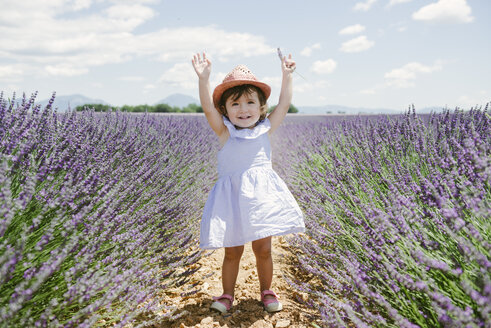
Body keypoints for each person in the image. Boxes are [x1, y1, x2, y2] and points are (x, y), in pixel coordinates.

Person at [191, 51, 305, 314]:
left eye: (250, 103)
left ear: (261, 107)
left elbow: (285, 105)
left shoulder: (265, 129)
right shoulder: (224, 132)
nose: (243, 109)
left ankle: (267, 291)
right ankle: (227, 295)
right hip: (232, 200)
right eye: (235, 104)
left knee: (264, 248)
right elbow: (207, 107)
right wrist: (203, 79)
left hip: (261, 199)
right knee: (232, 252)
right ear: (225, 110)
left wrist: (287, 76)